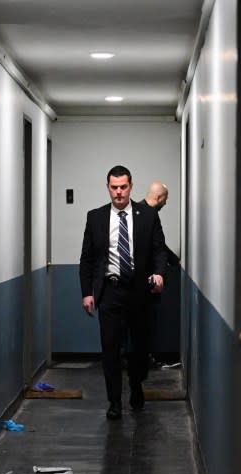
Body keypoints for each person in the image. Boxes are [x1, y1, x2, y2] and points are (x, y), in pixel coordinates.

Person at [80, 165, 169, 420]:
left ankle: (137, 384)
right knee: (110, 349)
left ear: (131, 187)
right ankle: (114, 402)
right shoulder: (95, 217)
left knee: (139, 347)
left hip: (139, 291)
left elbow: (159, 251)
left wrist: (160, 273)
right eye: (114, 187)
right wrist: (87, 292)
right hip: (110, 291)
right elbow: (87, 259)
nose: (118, 192)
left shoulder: (148, 216)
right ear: (108, 188)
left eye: (123, 187)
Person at [139, 181, 180, 367]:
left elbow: (158, 245)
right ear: (159, 197)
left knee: (146, 321)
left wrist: (173, 260)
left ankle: (143, 358)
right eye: (165, 198)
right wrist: (173, 262)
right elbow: (157, 247)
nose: (166, 203)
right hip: (144, 279)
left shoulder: (140, 212)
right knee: (145, 321)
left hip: (143, 279)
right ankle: (143, 360)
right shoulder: (146, 215)